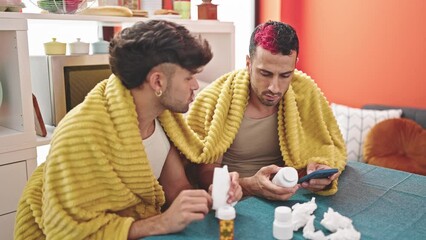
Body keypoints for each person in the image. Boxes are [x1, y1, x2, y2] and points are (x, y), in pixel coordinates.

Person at [14, 20, 242, 240]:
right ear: (158, 82)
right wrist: (161, 222)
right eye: (189, 77)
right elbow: (68, 232)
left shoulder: (161, 117)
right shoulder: (79, 135)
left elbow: (177, 190)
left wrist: (215, 195)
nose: (195, 86)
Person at [187, 20, 347, 201]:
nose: (274, 87)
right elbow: (203, 172)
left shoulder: (305, 92)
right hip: (235, 201)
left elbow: (327, 145)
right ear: (248, 63)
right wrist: (248, 186)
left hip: (290, 196)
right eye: (265, 73)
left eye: (285, 75)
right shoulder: (217, 99)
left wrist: (319, 169)